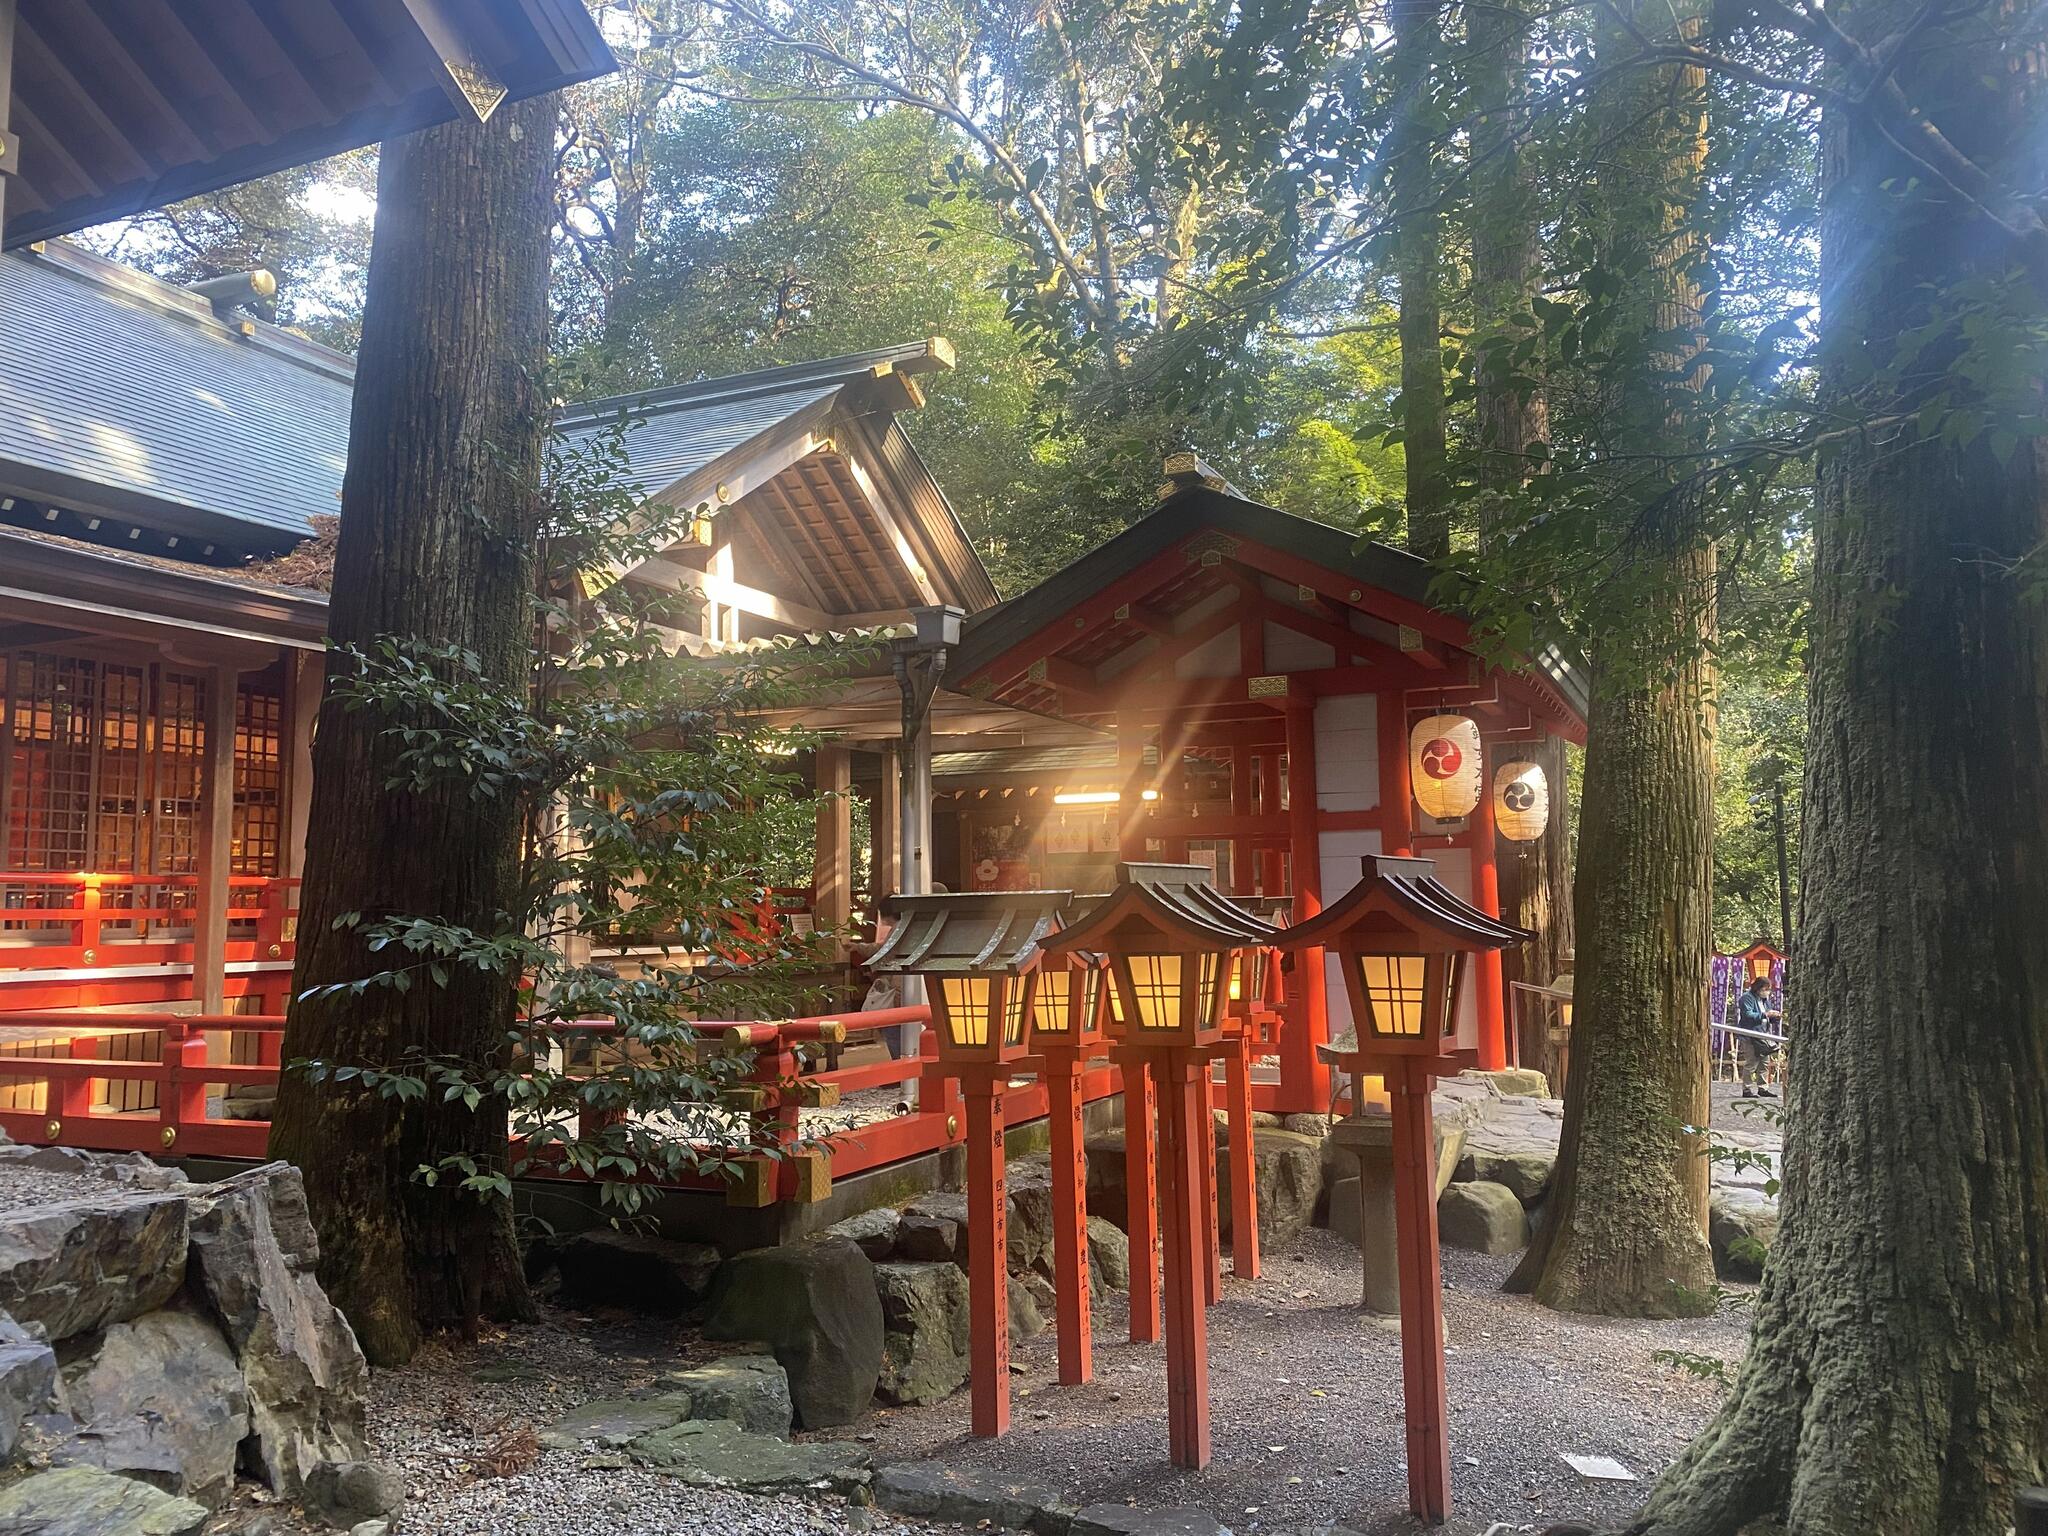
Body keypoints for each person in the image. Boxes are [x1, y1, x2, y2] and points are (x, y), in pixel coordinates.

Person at [1735, 975, 1783, 1097]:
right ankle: (1747, 1089)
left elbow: (1767, 1016)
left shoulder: (1765, 1000)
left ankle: (1763, 1087)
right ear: (1758, 988)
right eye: (1765, 989)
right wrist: (1766, 1014)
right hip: (1750, 1035)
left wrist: (1774, 1017)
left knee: (1764, 1062)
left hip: (1764, 1034)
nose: (1767, 992)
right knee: (1751, 1062)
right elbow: (1748, 1015)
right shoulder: (1746, 998)